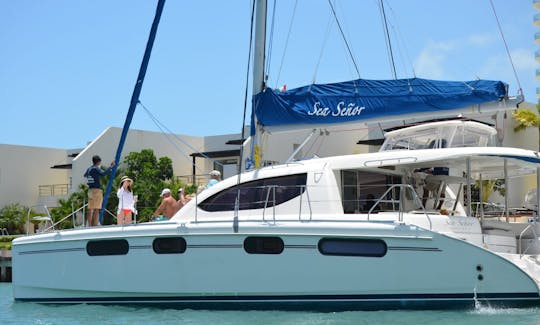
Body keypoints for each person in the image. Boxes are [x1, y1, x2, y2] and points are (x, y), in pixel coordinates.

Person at [84, 155, 115, 226]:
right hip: (96, 190)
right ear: (98, 162)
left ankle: (89, 225)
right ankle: (94, 225)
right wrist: (110, 167)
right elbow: (103, 173)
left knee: (90, 208)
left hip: (90, 190)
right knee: (97, 208)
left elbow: (85, 175)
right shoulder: (96, 168)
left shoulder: (89, 169)